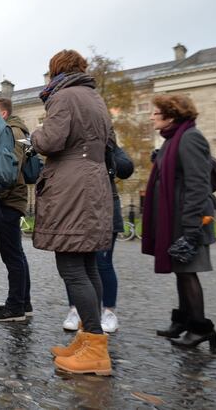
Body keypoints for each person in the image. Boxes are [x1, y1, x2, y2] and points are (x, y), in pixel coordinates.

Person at [32, 50, 115, 376]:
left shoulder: (65, 96)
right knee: (87, 263)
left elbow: (51, 140)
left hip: (72, 186)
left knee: (71, 266)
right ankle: (87, 339)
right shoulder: (94, 97)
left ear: (55, 70)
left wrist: (35, 134)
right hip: (92, 183)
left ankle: (94, 347)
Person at [143, 94, 216, 351]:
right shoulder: (172, 140)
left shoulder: (190, 138)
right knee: (181, 271)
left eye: (156, 112)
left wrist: (191, 228)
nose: (152, 116)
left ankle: (201, 328)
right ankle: (184, 321)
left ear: (171, 116)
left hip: (190, 221)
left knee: (188, 273)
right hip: (176, 219)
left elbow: (199, 185)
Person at [62, 142, 133, 333]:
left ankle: (108, 312)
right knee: (76, 265)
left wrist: (108, 153)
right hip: (77, 208)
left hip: (106, 208)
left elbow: (126, 168)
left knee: (103, 264)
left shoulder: (107, 142)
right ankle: (76, 310)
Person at [0, 97, 33, 322]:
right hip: (10, 199)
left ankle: (15, 307)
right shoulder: (13, 130)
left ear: (3, 114)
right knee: (16, 254)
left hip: (8, 200)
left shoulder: (12, 132)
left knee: (12, 255)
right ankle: (24, 301)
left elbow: (10, 169)